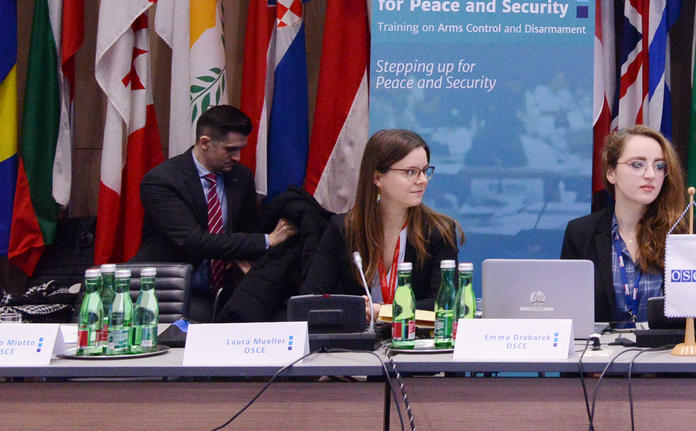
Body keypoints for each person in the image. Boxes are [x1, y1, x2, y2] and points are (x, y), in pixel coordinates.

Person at [133, 105, 297, 320]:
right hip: (172, 292)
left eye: (240, 149)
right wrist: (268, 240)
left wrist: (241, 256)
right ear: (204, 143)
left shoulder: (241, 177)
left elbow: (244, 231)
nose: (237, 157)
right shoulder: (162, 181)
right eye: (230, 150)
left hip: (226, 287)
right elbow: (194, 241)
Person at [302, 128, 464, 317]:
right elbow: (310, 300)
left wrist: (383, 312)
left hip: (416, 334)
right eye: (411, 172)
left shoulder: (438, 232)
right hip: (357, 335)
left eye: (425, 171)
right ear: (378, 178)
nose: (422, 180)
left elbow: (445, 304)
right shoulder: (343, 229)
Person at [561, 124, 689, 325]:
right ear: (611, 173)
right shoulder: (581, 233)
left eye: (659, 166)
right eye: (637, 164)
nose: (650, 174)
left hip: (665, 345)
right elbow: (567, 310)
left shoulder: (683, 232)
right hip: (600, 345)